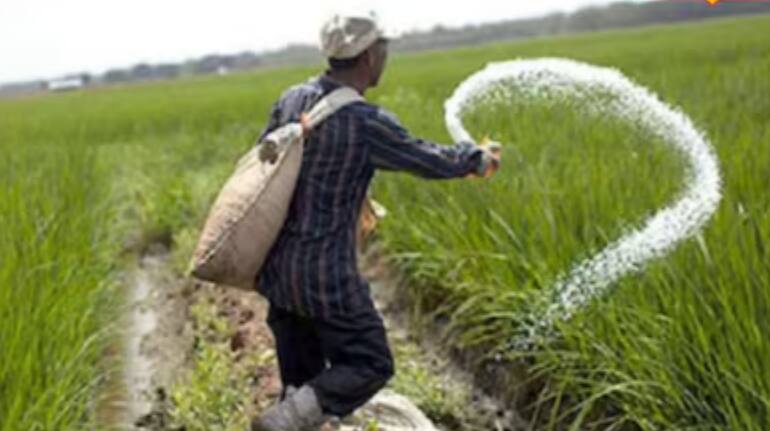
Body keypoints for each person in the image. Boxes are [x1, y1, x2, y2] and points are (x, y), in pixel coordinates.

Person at [250, 12, 500, 431]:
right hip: (326, 278)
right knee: (370, 361)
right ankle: (280, 422)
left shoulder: (293, 99)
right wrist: (477, 158)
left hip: (279, 273)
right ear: (369, 55)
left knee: (303, 384)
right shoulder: (364, 122)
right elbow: (427, 159)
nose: (385, 55)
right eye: (383, 47)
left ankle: (290, 414)